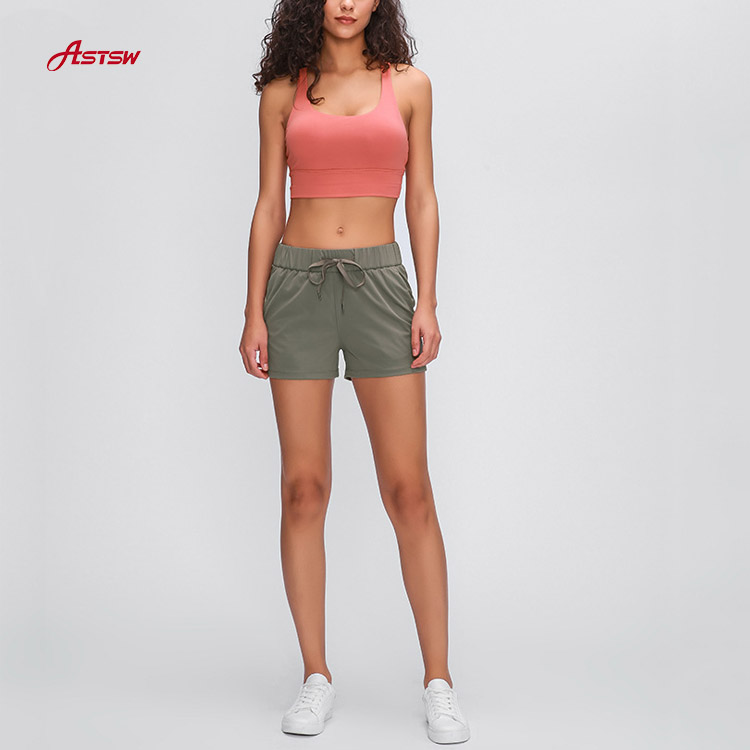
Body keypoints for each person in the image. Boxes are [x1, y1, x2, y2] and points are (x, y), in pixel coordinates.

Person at [239, 0, 470, 744]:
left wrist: (426, 300)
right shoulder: (283, 91)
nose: (346, 3)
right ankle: (316, 676)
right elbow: (269, 203)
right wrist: (253, 311)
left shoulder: (410, 85)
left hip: (381, 288)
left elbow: (423, 198)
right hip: (295, 287)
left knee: (410, 490)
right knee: (303, 489)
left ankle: (439, 682)